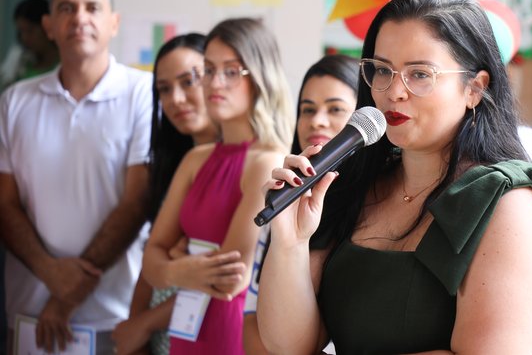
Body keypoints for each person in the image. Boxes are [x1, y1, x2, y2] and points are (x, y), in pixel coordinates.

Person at [257, 0, 532, 355]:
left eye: (420, 74)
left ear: (475, 88)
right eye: (382, 70)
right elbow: (289, 345)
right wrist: (290, 242)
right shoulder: (357, 185)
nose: (394, 91)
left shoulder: (511, 204)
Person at [0, 0, 152, 355]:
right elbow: (4, 203)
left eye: (92, 7)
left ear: (114, 22)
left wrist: (66, 296)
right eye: (67, 8)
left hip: (118, 315)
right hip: (30, 315)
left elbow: (137, 202)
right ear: (49, 25)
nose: (80, 18)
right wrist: (49, 272)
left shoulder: (144, 93)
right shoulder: (14, 101)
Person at [142, 18, 293, 355]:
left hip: (230, 331)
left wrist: (174, 264)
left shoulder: (268, 162)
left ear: (259, 76)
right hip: (186, 329)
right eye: (208, 70)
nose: (215, 82)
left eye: (231, 71)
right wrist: (177, 268)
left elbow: (231, 277)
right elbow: (149, 261)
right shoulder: (195, 159)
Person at [241, 54, 359, 355]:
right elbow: (252, 321)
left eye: (335, 108)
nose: (317, 120)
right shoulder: (284, 199)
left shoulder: (374, 202)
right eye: (307, 109)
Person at [112, 33, 219, 355]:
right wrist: (137, 331)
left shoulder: (246, 166)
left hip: (212, 334)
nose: (176, 99)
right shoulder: (172, 164)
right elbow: (151, 259)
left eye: (188, 81)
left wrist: (144, 324)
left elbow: (221, 274)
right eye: (164, 89)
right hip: (160, 340)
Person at [0, 0, 59, 89]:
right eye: (21, 31)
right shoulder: (18, 62)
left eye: (30, 30)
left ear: (47, 27)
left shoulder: (64, 64)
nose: (25, 38)